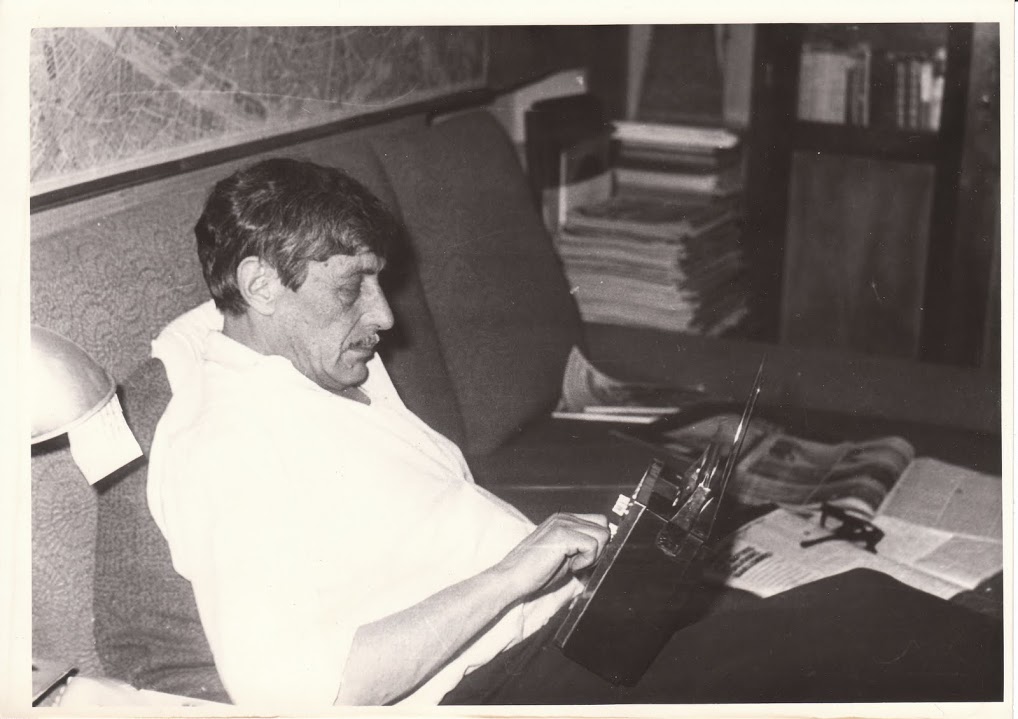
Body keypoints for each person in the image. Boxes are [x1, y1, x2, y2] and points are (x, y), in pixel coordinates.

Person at [148, 158, 1002, 709]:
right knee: (864, 632)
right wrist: (516, 571)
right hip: (494, 689)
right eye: (351, 288)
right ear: (260, 286)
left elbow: (212, 324)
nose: (384, 315)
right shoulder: (223, 446)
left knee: (859, 613)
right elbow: (296, 693)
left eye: (378, 282)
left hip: (562, 640)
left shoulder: (310, 356)